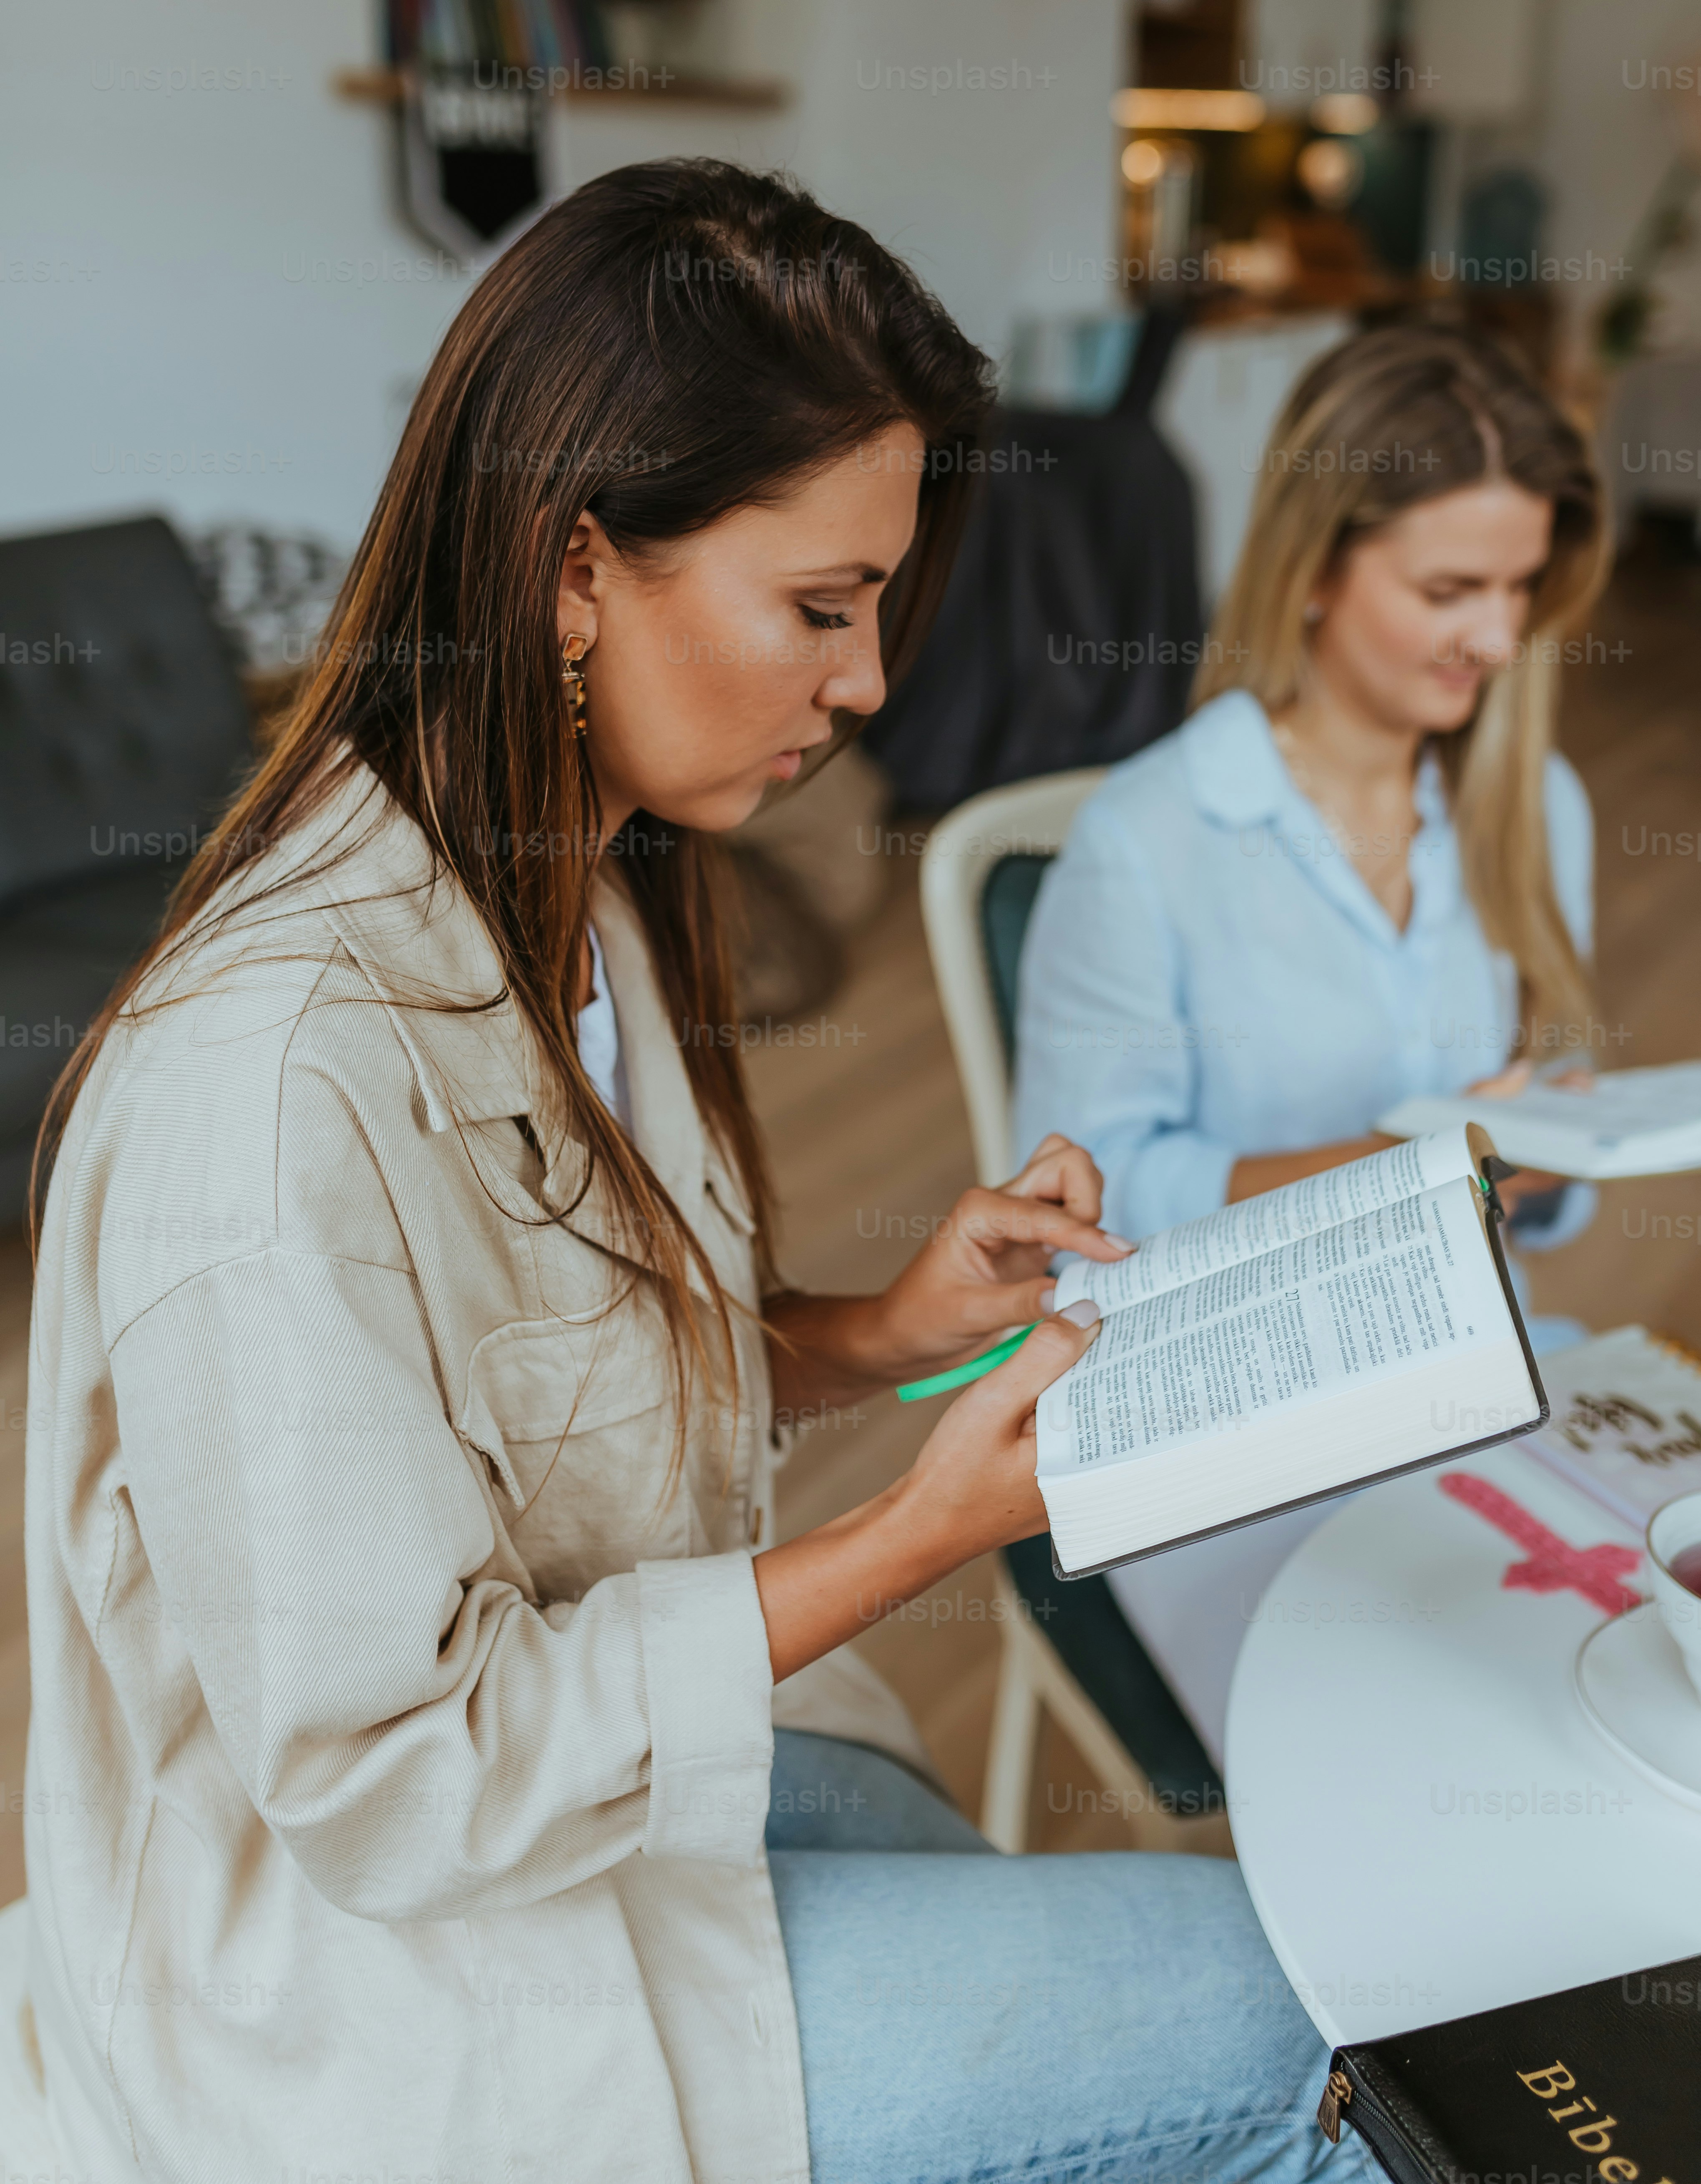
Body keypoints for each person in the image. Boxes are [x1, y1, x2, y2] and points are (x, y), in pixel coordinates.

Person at [26, 163, 1365, 2184]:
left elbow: (548, 1385)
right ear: (579, 571)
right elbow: (399, 1786)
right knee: (1297, 2037)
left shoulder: (579, 894)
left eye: (878, 607)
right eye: (821, 608)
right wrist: (921, 1530)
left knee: (950, 1854)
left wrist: (879, 1331)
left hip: (566, 1834)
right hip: (369, 1990)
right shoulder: (271, 1091)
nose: (871, 682)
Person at [1013, 322, 1610, 1744]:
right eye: (1450, 589)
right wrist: (1431, 1166)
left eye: (1519, 587)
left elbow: (1554, 1179)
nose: (1497, 638)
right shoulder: (1150, 838)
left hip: (1481, 1369)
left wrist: (1537, 1160)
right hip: (1232, 1414)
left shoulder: (1538, 806)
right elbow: (1087, 1227)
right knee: (1473, 1733)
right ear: (1319, 565)